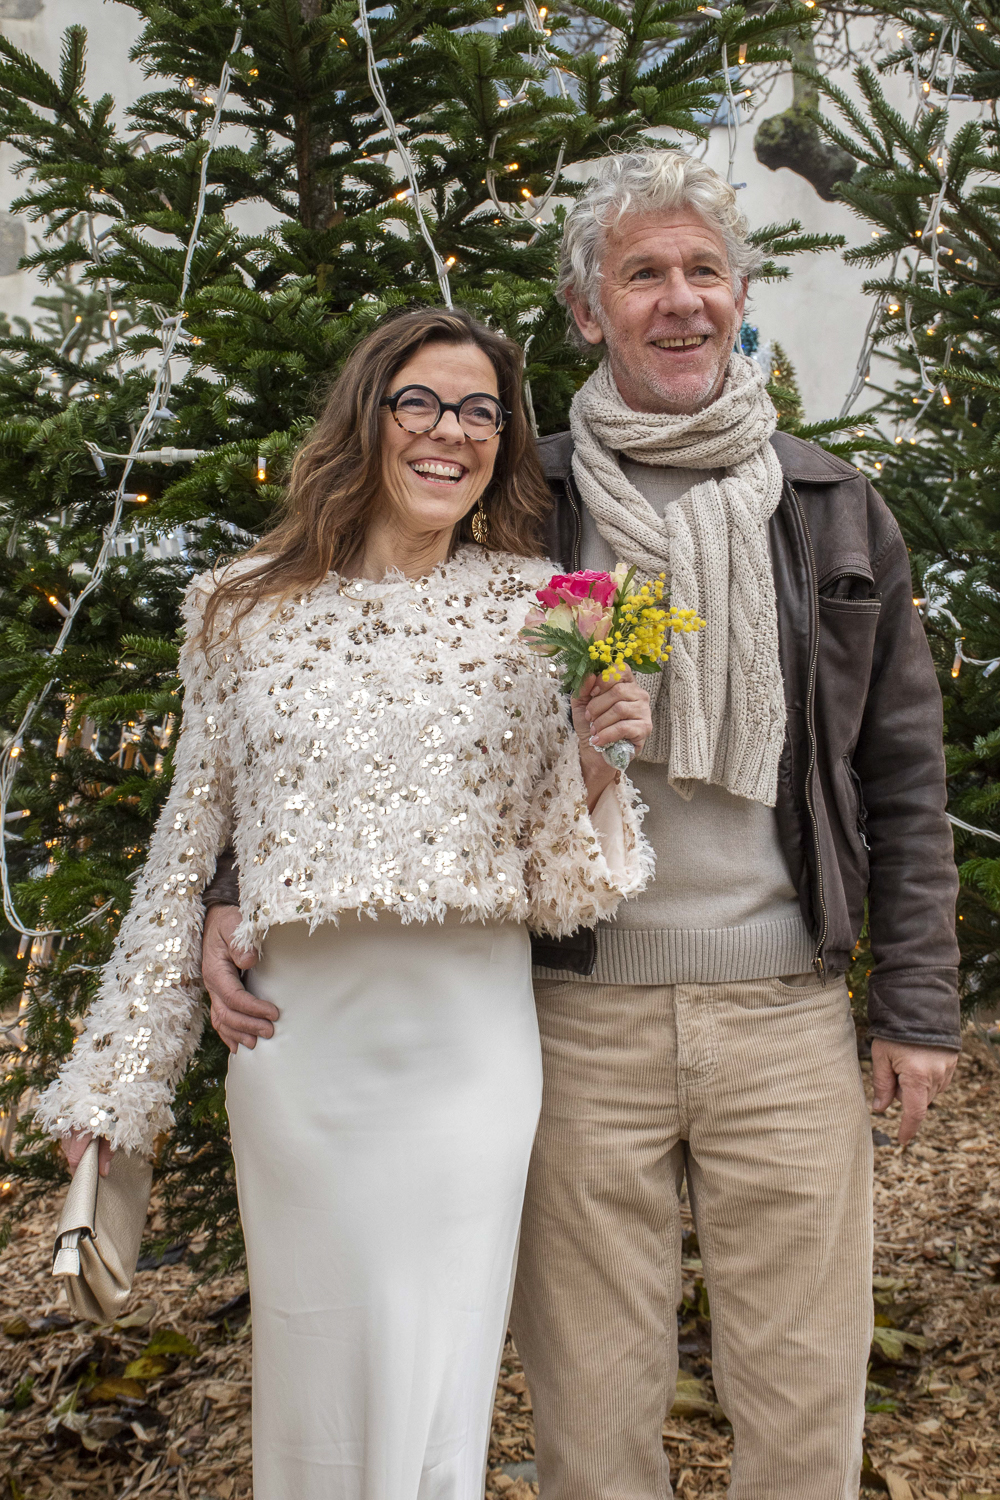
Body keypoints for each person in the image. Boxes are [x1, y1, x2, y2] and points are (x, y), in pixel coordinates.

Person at [200, 153, 962, 1498]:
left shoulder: (832, 506)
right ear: (586, 309)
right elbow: (340, 683)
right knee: (592, 1416)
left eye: (704, 271)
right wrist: (227, 881)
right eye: (642, 274)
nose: (680, 300)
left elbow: (902, 771)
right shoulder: (514, 499)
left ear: (739, 295)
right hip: (569, 1012)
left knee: (805, 1399)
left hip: (783, 1010)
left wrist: (917, 1004)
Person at [36, 306, 655, 1500]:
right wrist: (116, 1085)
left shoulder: (542, 607)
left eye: (481, 413)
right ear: (367, 417)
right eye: (420, 401)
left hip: (468, 1053)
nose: (450, 432)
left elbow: (555, 877)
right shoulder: (238, 608)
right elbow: (187, 847)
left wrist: (593, 758)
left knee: (438, 1370)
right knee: (318, 1368)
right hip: (300, 1052)